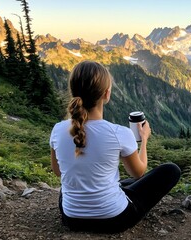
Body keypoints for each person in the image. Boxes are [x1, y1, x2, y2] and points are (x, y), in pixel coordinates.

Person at [49, 60, 181, 233]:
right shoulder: (119, 133)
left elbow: (58, 171)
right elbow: (138, 173)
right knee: (171, 170)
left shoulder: (58, 130)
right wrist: (144, 140)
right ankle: (112, 195)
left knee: (70, 185)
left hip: (71, 218)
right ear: (106, 94)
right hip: (115, 219)